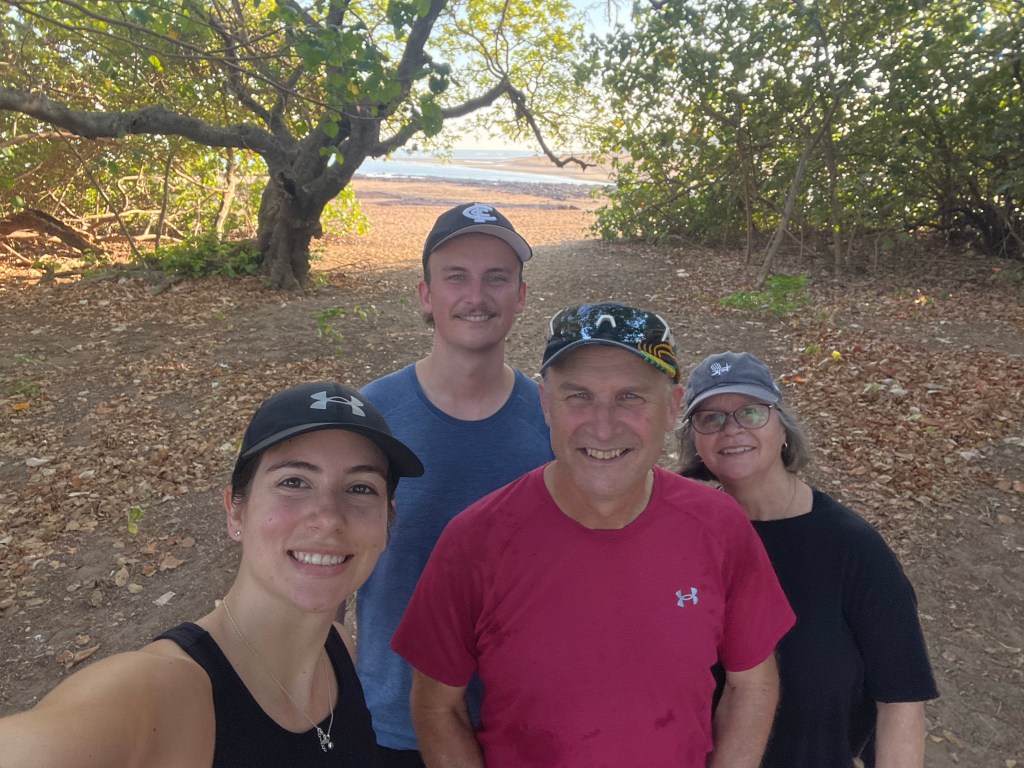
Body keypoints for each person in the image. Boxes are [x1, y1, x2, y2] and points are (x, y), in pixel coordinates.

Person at [392, 302, 796, 768]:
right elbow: (436, 705)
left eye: (631, 397)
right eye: (579, 396)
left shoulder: (718, 526)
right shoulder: (475, 540)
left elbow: (752, 683)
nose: (603, 427)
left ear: (673, 407)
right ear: (546, 403)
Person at [0, 381, 424, 767]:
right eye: (294, 482)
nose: (328, 519)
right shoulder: (163, 694)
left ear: (387, 521)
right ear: (235, 511)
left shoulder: (338, 651)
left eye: (361, 488)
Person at [351, 202, 554, 767]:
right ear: (426, 295)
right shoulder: (372, 417)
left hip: (522, 721)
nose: (477, 295)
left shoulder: (553, 420)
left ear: (520, 296)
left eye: (497, 278)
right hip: (393, 723)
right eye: (456, 277)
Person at [677, 351, 939, 768]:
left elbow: (901, 700)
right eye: (711, 418)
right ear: (695, 442)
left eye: (751, 412)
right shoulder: (688, 539)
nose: (731, 429)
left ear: (783, 426)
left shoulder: (852, 547)